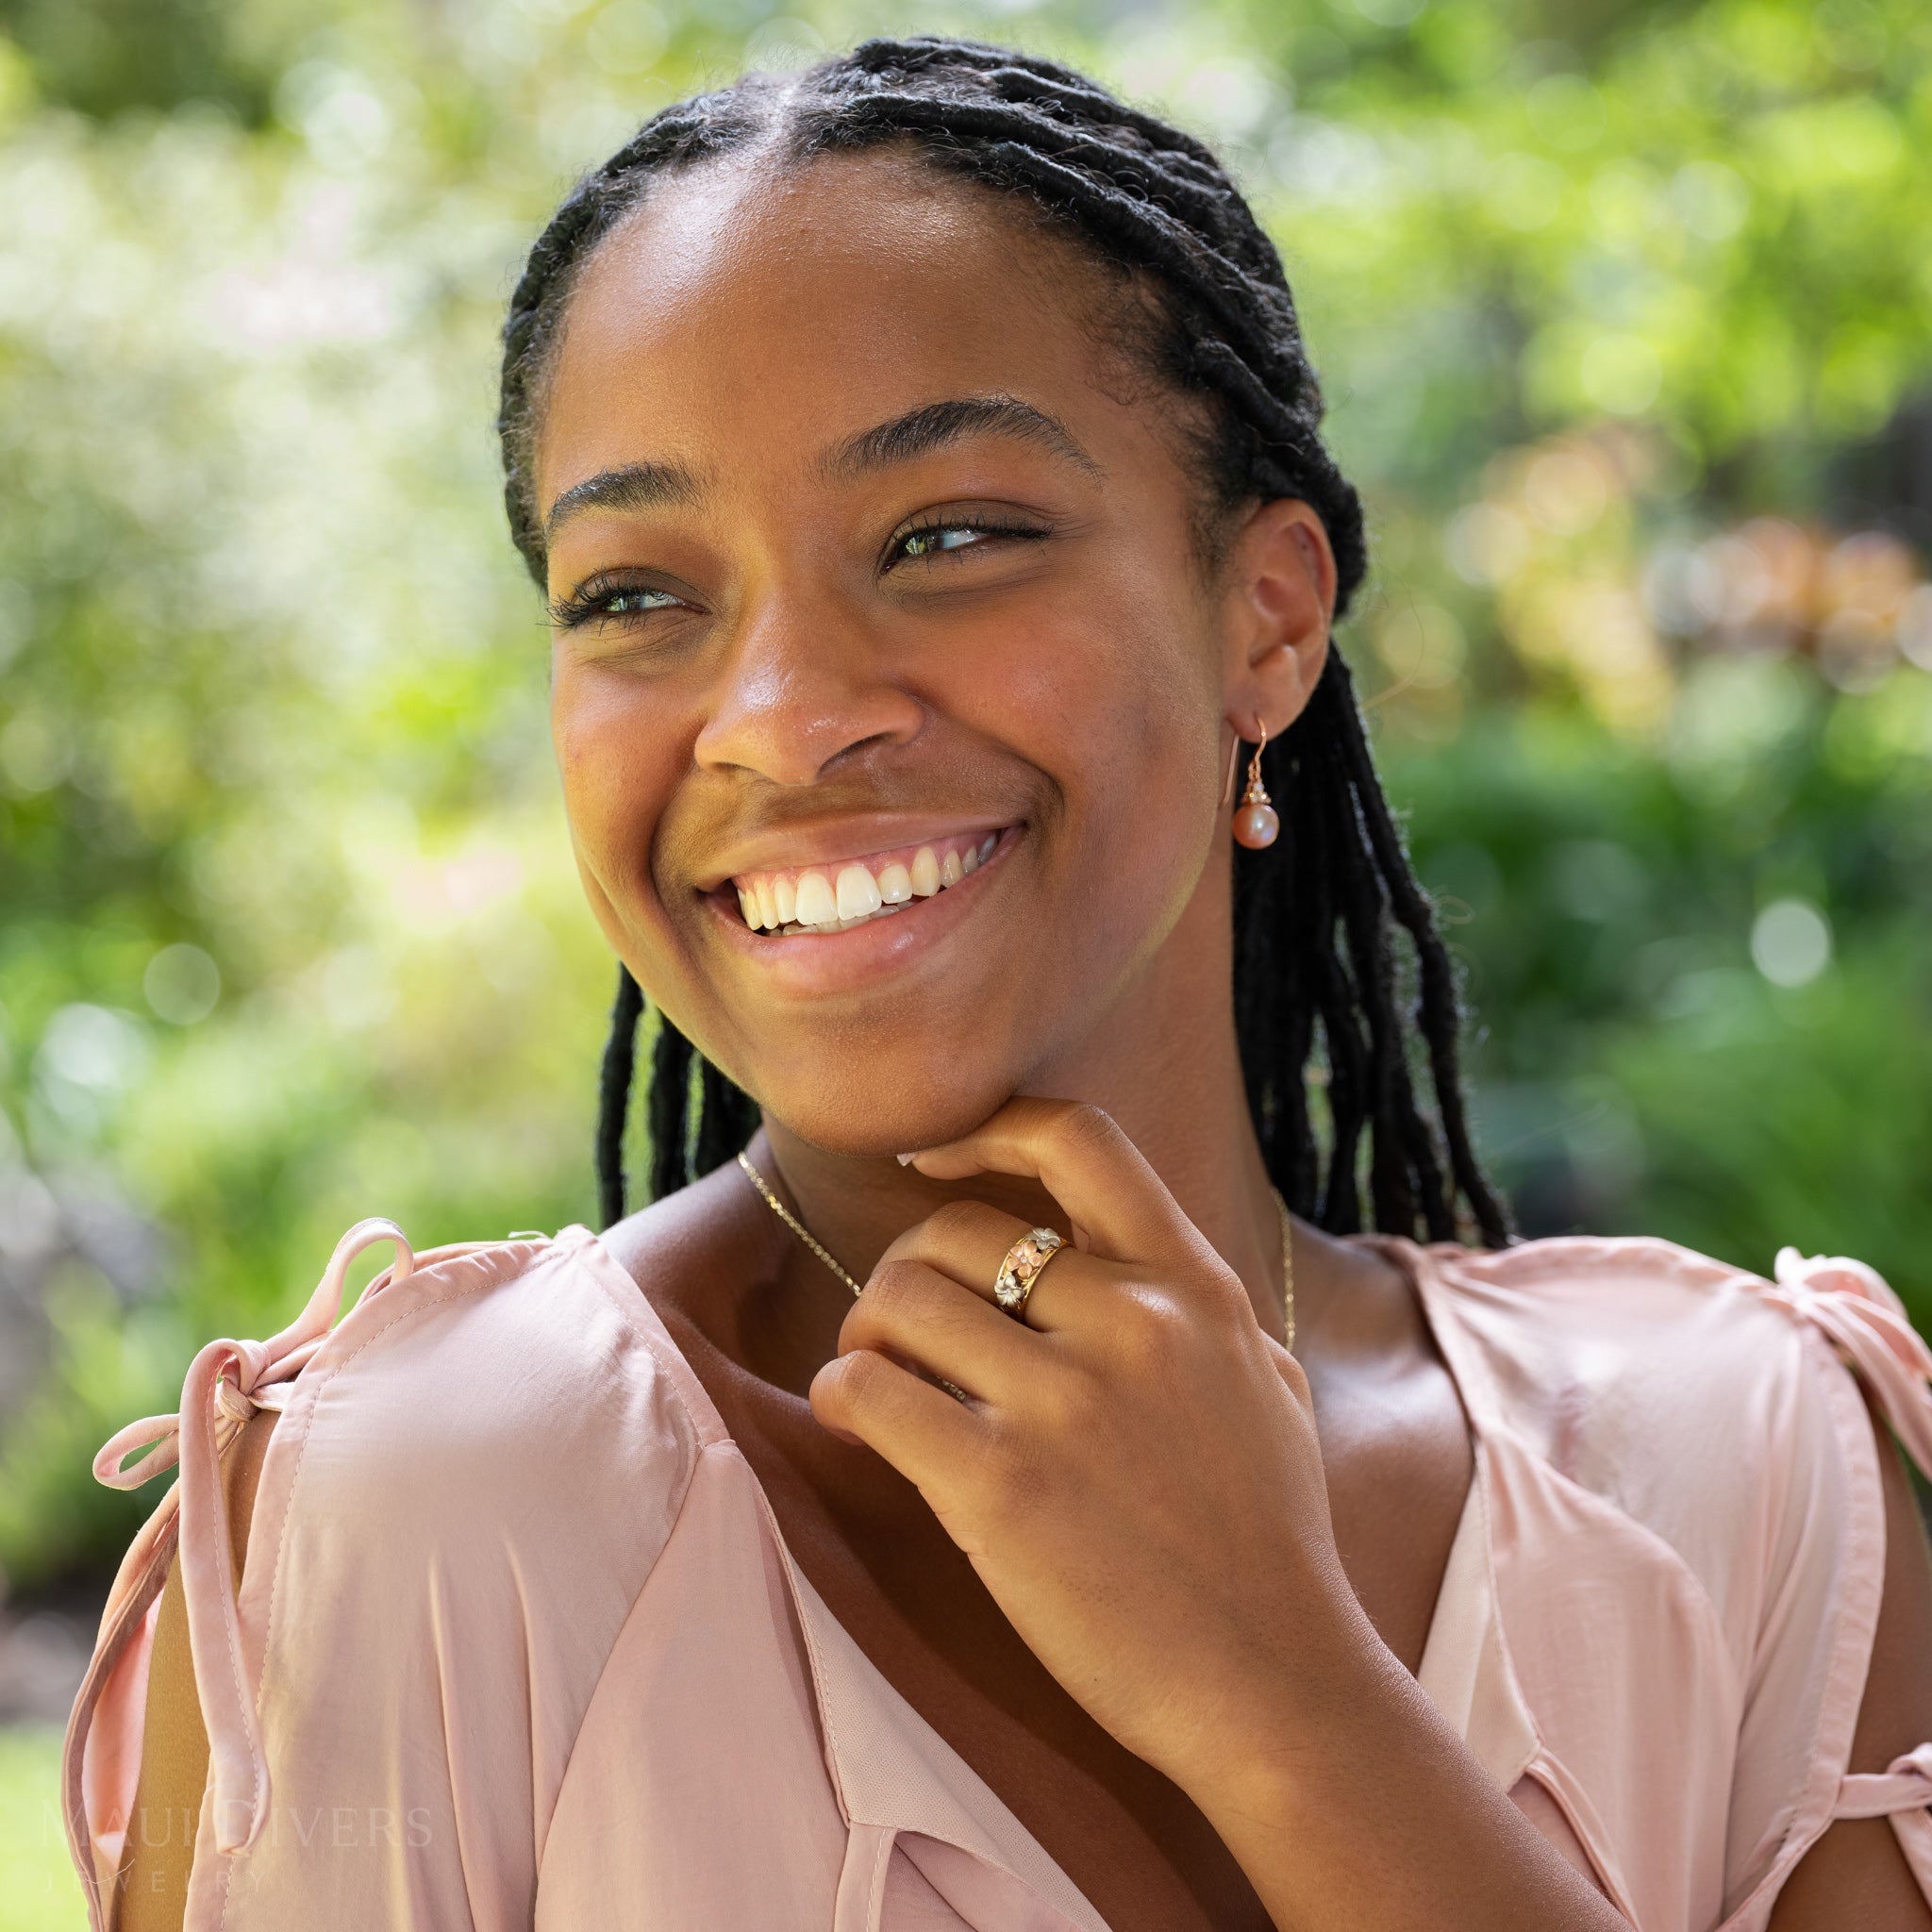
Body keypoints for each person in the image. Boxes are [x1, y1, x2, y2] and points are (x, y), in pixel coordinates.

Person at [61, 35, 1932, 1932]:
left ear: (1265, 619)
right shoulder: (414, 1525)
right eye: (636, 592)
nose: (782, 722)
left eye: (948, 537)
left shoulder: (1748, 1465)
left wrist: (1284, 1699)